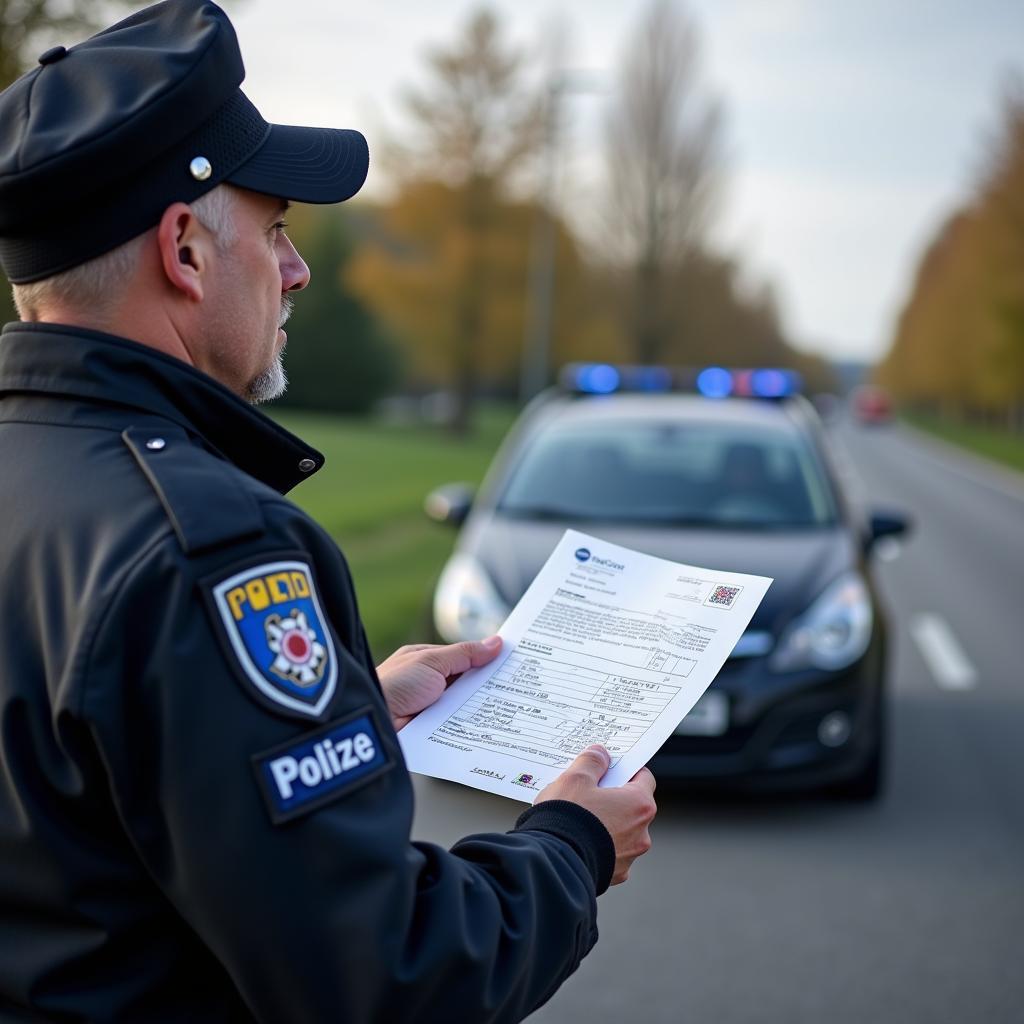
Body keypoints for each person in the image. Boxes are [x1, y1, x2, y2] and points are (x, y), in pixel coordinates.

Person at [0, 2, 657, 1021]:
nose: (297, 270)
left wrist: (355, 715)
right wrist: (568, 845)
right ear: (185, 249)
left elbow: (85, 813)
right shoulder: (206, 550)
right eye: (274, 231)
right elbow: (377, 972)